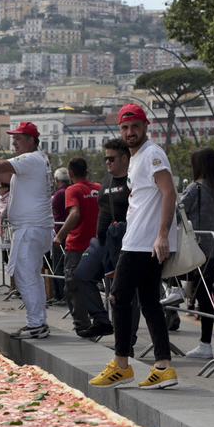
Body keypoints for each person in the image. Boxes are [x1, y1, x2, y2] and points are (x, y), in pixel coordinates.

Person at [90, 104, 178, 390]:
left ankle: (121, 364)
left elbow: (169, 192)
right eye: (125, 128)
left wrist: (162, 234)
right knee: (150, 302)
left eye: (135, 126)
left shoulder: (152, 154)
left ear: (145, 126)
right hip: (140, 241)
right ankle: (163, 366)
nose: (130, 132)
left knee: (118, 298)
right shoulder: (138, 157)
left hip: (143, 242)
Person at [0, 122, 55, 339]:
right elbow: (5, 177)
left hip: (31, 228)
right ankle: (38, 321)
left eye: (18, 138)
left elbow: (1, 165)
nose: (14, 142)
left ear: (31, 140)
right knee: (31, 276)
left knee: (24, 275)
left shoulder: (30, 159)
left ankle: (36, 323)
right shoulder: (34, 162)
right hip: (34, 227)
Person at [71, 139, 133, 339]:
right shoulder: (106, 180)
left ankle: (127, 341)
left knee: (125, 293)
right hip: (101, 242)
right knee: (81, 275)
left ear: (124, 158)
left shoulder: (133, 179)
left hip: (125, 242)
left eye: (111, 158)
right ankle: (101, 320)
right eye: (105, 158)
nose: (107, 162)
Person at [179, 148, 214, 359]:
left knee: (173, 279)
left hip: (194, 248)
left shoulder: (195, 188)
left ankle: (174, 292)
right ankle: (205, 343)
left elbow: (177, 211)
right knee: (204, 295)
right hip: (212, 250)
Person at [53, 157, 100, 333]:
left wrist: (59, 236)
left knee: (72, 286)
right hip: (97, 245)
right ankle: (99, 320)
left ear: (70, 173)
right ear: (87, 172)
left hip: (77, 245)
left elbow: (74, 214)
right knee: (92, 284)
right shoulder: (98, 188)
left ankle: (82, 326)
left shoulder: (72, 190)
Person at [49, 167, 71, 304]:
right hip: (70, 232)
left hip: (59, 233)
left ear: (56, 180)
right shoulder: (71, 190)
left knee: (57, 266)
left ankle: (59, 296)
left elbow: (50, 210)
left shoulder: (59, 194)